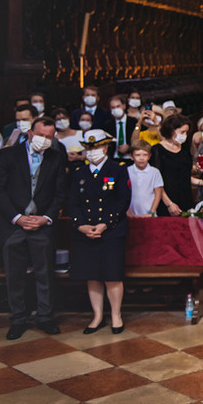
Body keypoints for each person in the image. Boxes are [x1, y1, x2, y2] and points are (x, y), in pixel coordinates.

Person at [0, 117, 66, 339]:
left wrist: (46, 218)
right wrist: (17, 218)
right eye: (41, 135)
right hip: (14, 225)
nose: (44, 140)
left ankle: (45, 317)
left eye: (49, 137)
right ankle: (18, 319)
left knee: (45, 275)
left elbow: (60, 194)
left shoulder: (56, 157)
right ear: (30, 133)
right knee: (14, 276)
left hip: (41, 225)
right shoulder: (8, 155)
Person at [68, 130, 131, 334]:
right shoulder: (79, 172)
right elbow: (73, 202)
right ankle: (97, 316)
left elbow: (123, 200)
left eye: (96, 147)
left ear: (105, 147)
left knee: (112, 275)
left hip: (111, 231)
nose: (92, 151)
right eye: (89, 148)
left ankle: (116, 315)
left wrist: (105, 224)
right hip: (86, 231)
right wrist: (80, 225)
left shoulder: (118, 169)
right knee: (92, 275)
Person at [150, 114, 193, 216]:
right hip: (166, 202)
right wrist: (169, 203)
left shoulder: (184, 152)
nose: (184, 135)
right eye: (182, 132)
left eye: (186, 132)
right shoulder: (157, 150)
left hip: (185, 200)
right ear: (171, 131)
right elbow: (156, 182)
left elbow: (185, 176)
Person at [126, 141, 163, 218]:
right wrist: (127, 211)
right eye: (137, 155)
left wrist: (151, 212)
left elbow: (158, 194)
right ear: (131, 156)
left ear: (149, 156)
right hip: (131, 214)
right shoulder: (127, 171)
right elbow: (123, 193)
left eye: (145, 155)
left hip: (149, 214)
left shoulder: (154, 172)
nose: (141, 158)